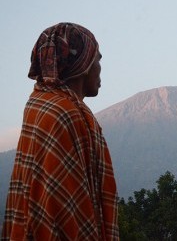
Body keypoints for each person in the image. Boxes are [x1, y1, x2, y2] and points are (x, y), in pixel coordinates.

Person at [1, 23, 119, 240]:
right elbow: (61, 209)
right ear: (82, 64)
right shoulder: (63, 113)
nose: (100, 68)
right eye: (97, 59)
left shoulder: (40, 104)